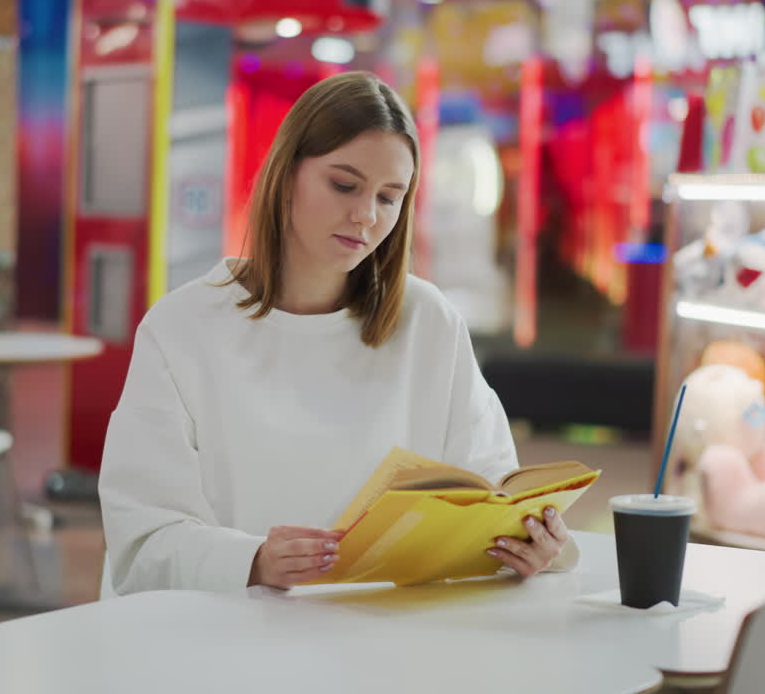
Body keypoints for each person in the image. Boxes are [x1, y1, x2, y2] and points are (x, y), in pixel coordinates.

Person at [99, 71, 572, 595]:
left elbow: (493, 491)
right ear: (286, 175)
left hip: (388, 644)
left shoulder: (428, 322)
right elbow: (141, 540)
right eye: (344, 185)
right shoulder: (182, 328)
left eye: (389, 197)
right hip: (231, 648)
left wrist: (528, 542)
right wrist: (252, 560)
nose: (365, 215)